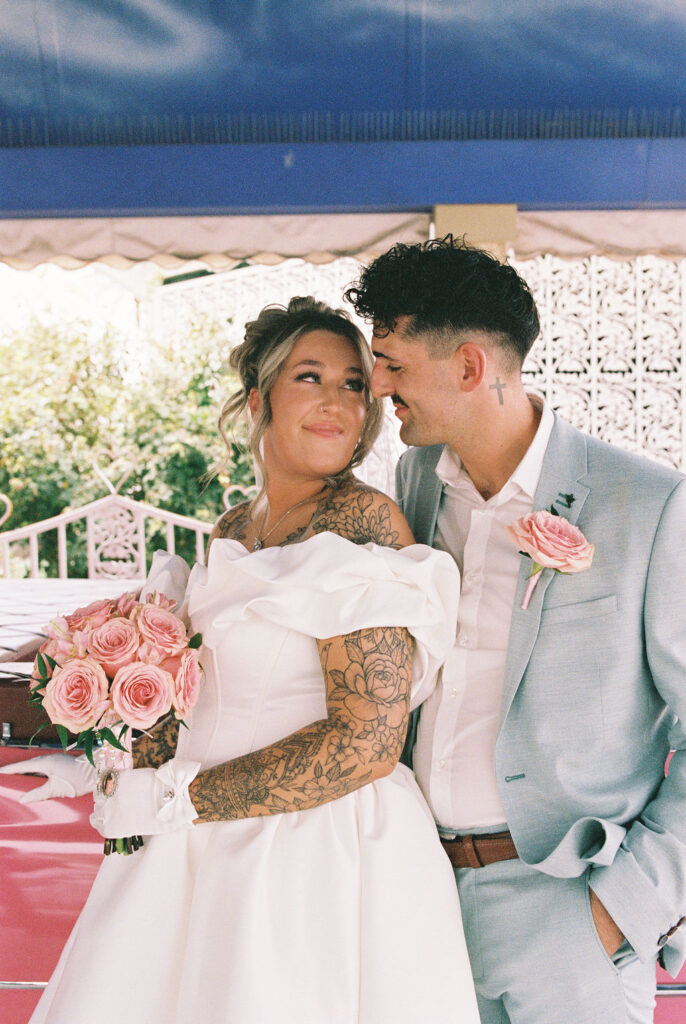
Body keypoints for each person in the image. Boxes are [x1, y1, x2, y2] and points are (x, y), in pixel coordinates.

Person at [1, 297, 480, 1024]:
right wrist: (101, 766)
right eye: (309, 378)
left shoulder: (363, 523)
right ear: (258, 398)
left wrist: (173, 799)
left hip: (314, 854)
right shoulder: (234, 528)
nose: (336, 403)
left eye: (354, 384)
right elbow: (204, 700)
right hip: (198, 843)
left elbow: (366, 742)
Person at [344, 236, 686, 1024]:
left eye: (393, 364)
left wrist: (626, 905)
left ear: (469, 368)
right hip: (419, 895)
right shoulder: (413, 483)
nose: (377, 387)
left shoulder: (649, 505)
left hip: (568, 910)